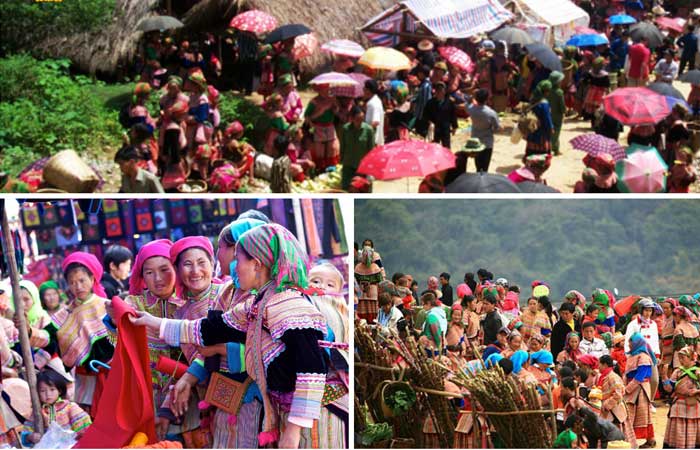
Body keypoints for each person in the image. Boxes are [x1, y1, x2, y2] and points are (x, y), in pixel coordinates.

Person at [133, 223, 345, 449]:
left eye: (239, 259)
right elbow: (206, 329)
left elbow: (311, 370)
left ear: (257, 264)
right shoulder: (260, 303)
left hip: (318, 416)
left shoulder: (289, 305)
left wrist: (293, 431)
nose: (235, 267)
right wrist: (151, 321)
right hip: (295, 413)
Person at [53, 252, 115, 414]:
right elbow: (48, 337)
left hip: (113, 374)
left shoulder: (107, 306)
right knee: (88, 417)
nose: (78, 287)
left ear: (93, 279)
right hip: (84, 378)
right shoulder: (65, 314)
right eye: (72, 283)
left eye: (82, 280)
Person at [24, 370, 92, 443]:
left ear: (59, 390)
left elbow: (85, 430)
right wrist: (30, 437)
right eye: (43, 391)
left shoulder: (70, 407)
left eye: (52, 390)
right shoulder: (38, 412)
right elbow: (26, 431)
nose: (48, 394)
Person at [661, 346, 700, 449]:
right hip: (678, 407)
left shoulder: (698, 372)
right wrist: (664, 376)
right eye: (680, 358)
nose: (681, 361)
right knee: (678, 431)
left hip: (693, 406)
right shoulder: (678, 372)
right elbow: (669, 389)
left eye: (683, 358)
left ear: (691, 357)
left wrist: (696, 391)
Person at [624, 332, 657, 448]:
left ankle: (644, 440)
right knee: (639, 414)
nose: (629, 344)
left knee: (640, 414)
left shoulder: (643, 357)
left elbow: (640, 376)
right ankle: (650, 440)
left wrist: (627, 389)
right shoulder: (633, 355)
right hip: (633, 387)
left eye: (631, 342)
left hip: (640, 388)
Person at [598, 355, 637, 447]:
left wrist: (607, 405)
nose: (598, 366)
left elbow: (618, 394)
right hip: (609, 410)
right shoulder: (606, 376)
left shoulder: (613, 377)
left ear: (605, 365)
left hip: (614, 410)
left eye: (599, 364)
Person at [305, 83, 340, 171]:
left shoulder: (332, 99)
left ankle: (331, 168)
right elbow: (307, 117)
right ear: (320, 90)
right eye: (325, 89)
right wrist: (320, 112)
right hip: (318, 127)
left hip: (330, 126)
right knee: (319, 149)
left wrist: (335, 108)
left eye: (328, 89)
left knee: (332, 147)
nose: (327, 91)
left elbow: (336, 113)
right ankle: (319, 168)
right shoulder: (314, 101)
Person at [340, 105, 375, 191]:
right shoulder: (345, 129)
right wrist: (342, 160)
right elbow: (342, 147)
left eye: (362, 119)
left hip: (362, 167)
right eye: (357, 119)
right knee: (346, 189)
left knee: (363, 190)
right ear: (351, 118)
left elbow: (371, 150)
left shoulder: (369, 130)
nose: (360, 122)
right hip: (348, 166)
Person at [467, 88, 500, 172]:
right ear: (487, 99)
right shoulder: (491, 113)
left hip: (475, 141)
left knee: (478, 166)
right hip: (487, 142)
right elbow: (497, 128)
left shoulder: (472, 109)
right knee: (485, 168)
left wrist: (472, 96)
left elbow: (467, 103)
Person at [424, 82, 458, 149]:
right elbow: (425, 115)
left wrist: (454, 126)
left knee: (446, 146)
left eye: (441, 90)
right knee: (434, 147)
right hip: (435, 128)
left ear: (444, 91)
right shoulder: (430, 103)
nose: (439, 92)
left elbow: (453, 115)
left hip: (445, 128)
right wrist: (430, 123)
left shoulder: (450, 102)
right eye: (437, 90)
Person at [547, 71, 566, 155]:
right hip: (557, 115)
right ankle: (554, 149)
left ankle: (551, 148)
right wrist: (564, 112)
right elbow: (562, 106)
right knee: (556, 132)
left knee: (548, 130)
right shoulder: (559, 92)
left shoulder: (546, 90)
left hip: (548, 113)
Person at [412, 65, 432, 137]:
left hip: (423, 115)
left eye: (419, 73)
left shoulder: (426, 86)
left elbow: (426, 102)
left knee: (421, 133)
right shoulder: (423, 84)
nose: (418, 74)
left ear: (423, 74)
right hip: (420, 114)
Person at [363, 80, 385, 147]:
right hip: (376, 140)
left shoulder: (372, 103)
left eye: (364, 89)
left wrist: (363, 135)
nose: (363, 91)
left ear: (368, 90)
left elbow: (375, 122)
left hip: (372, 141)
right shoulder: (376, 101)